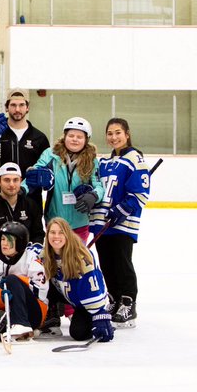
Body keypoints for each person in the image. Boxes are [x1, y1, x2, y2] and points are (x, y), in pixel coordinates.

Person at [90, 118, 151, 328]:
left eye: (118, 132)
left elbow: (141, 193)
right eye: (109, 133)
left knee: (122, 262)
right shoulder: (104, 162)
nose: (113, 137)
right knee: (106, 263)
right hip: (102, 222)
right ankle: (114, 299)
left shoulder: (135, 158)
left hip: (123, 223)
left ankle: (128, 302)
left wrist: (121, 210)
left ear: (127, 134)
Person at [23, 117, 103, 241]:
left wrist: (94, 195)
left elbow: (99, 186)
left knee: (77, 260)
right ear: (65, 136)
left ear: (86, 140)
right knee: (56, 259)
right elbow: (34, 175)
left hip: (80, 223)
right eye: (71, 135)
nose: (75, 139)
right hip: (55, 222)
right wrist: (22, 189)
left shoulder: (92, 161)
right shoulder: (50, 154)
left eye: (79, 137)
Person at [0, 89, 51, 227]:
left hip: (31, 203)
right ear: (6, 107)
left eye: (22, 105)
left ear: (27, 107)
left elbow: (47, 171)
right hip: (0, 201)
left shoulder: (39, 138)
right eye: (13, 105)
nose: (17, 109)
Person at [42, 217, 113, 344]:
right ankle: (51, 315)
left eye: (61, 232)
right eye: (52, 232)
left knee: (78, 333)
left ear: (67, 234)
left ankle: (94, 318)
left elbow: (92, 286)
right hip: (66, 293)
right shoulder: (45, 254)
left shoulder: (81, 256)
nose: (56, 236)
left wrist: (100, 315)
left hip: (85, 302)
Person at [0, 221, 49, 342]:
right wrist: (0, 296)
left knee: (12, 279)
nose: (4, 243)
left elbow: (42, 292)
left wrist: (17, 283)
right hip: (7, 311)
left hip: (33, 313)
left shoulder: (32, 258)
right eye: (2, 239)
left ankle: (22, 324)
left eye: (10, 240)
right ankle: (19, 330)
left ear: (21, 242)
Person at [0, 162, 44, 260]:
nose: (11, 184)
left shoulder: (31, 206)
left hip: (27, 263)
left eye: (15, 180)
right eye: (7, 180)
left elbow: (38, 234)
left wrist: (32, 253)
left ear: (21, 181)